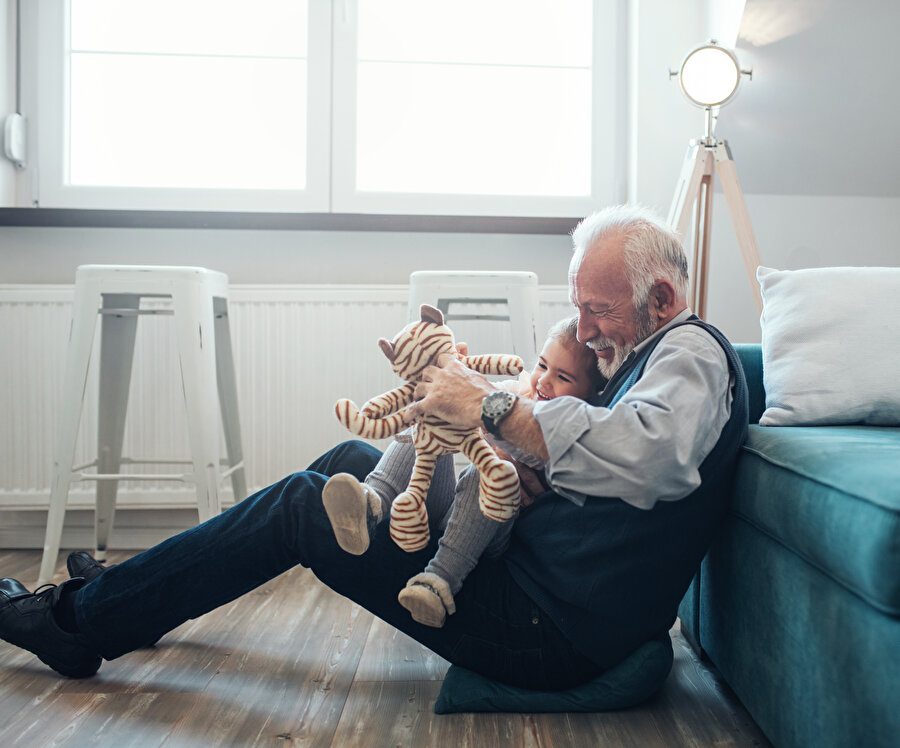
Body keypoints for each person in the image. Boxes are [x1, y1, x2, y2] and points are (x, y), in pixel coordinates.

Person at [0, 204, 748, 693]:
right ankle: (138, 598)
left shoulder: (692, 352)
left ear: (663, 299)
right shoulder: (642, 354)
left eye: (598, 311)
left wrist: (488, 409)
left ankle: (76, 625)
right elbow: (581, 440)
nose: (582, 331)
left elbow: (653, 455)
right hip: (527, 573)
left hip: (545, 626)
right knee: (346, 465)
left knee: (302, 508)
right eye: (577, 309)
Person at [322, 315, 607, 628]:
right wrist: (453, 387)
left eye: (562, 377)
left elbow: (535, 456)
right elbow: (471, 398)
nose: (543, 381)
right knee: (433, 415)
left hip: (491, 534)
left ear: (590, 395)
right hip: (451, 513)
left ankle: (439, 580)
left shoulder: (571, 433)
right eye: (542, 365)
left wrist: (503, 438)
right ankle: (371, 501)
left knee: (487, 473)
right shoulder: (522, 391)